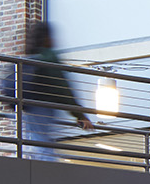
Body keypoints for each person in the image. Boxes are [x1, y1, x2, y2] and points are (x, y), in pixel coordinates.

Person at [6, 20, 95, 162]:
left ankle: (26, 165)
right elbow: (62, 88)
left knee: (31, 139)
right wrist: (79, 114)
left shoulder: (27, 58)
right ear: (46, 37)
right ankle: (47, 169)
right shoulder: (48, 57)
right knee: (42, 140)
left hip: (23, 106)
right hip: (41, 106)